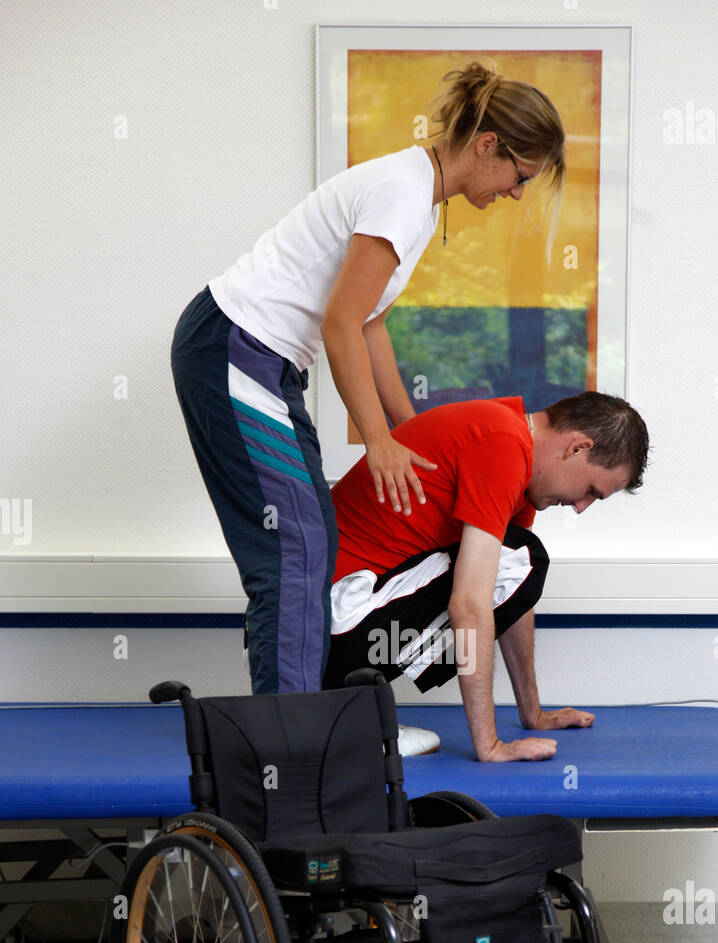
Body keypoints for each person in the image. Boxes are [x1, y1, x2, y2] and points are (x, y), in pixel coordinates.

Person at [169, 63, 566, 695]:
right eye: (520, 175)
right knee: (293, 548)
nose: (517, 192)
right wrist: (377, 441)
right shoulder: (403, 196)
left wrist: (410, 429)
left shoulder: (413, 191)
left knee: (310, 536)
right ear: (489, 145)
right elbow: (341, 324)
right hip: (235, 344)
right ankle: (291, 743)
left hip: (261, 357)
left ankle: (304, 727)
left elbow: (371, 324)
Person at [325, 391, 650, 761]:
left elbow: (511, 592)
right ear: (577, 448)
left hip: (347, 627)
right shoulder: (501, 443)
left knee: (519, 556)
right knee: (524, 558)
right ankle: (337, 709)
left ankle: (343, 710)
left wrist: (534, 714)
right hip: (332, 632)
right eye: (591, 491)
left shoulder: (513, 444)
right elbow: (470, 602)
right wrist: (490, 746)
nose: (579, 507)